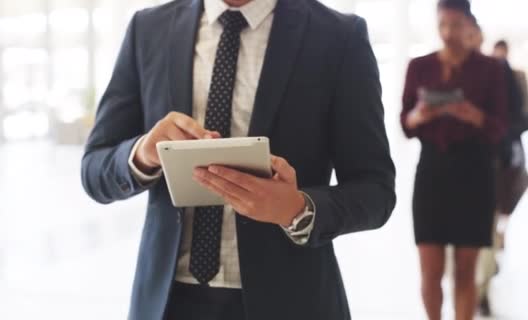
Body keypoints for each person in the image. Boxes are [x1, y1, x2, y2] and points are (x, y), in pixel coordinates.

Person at [81, 0, 396, 319]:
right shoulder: (147, 29)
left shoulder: (339, 37)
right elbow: (95, 168)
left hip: (291, 300)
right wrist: (144, 152)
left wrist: (297, 209)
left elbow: (376, 191)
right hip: (167, 303)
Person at [400, 1, 508, 319]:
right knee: (430, 269)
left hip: (474, 171)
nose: (449, 32)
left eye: (456, 24)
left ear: (469, 25)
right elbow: (404, 122)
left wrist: (474, 116)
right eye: (443, 24)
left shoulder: (490, 68)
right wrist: (419, 115)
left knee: (465, 269)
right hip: (432, 171)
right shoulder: (419, 66)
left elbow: (501, 126)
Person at [475, 39, 528, 316]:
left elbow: (522, 117)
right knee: (488, 223)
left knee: (492, 219)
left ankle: (481, 284)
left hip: (502, 161)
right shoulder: (479, 78)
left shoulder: (512, 78)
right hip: (486, 163)